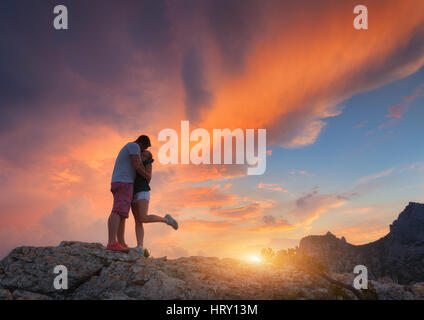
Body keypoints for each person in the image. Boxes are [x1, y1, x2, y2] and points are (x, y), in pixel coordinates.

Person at [106, 135, 152, 252]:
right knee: (117, 211)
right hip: (123, 182)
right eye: (144, 148)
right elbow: (136, 165)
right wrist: (147, 176)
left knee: (121, 214)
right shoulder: (133, 146)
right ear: (141, 143)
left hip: (123, 182)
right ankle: (112, 243)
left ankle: (120, 243)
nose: (143, 151)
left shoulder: (130, 147)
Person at [130, 149, 178, 254]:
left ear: (148, 158)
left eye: (145, 155)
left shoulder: (147, 163)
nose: (142, 155)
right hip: (132, 192)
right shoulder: (134, 161)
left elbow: (148, 178)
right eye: (142, 154)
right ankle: (139, 247)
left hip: (143, 191)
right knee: (138, 221)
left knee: (143, 217)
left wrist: (139, 168)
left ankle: (166, 220)